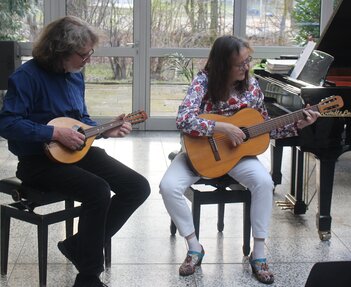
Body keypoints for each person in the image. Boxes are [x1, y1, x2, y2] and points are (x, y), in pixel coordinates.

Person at [0, 16, 150, 287]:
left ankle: (77, 245)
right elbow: (7, 123)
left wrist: (105, 131)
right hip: (37, 162)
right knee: (98, 190)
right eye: (83, 54)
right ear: (60, 50)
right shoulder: (26, 77)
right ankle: (88, 277)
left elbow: (81, 121)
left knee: (137, 187)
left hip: (78, 153)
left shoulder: (74, 77)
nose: (88, 60)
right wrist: (53, 132)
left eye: (90, 53)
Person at [159, 35, 320, 284]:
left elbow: (264, 127)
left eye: (248, 61)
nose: (246, 67)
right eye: (240, 64)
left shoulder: (252, 85)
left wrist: (298, 125)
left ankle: (259, 254)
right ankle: (194, 247)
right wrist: (222, 128)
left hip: (238, 157)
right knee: (167, 187)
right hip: (198, 153)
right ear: (223, 65)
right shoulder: (202, 82)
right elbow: (184, 120)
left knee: (264, 183)